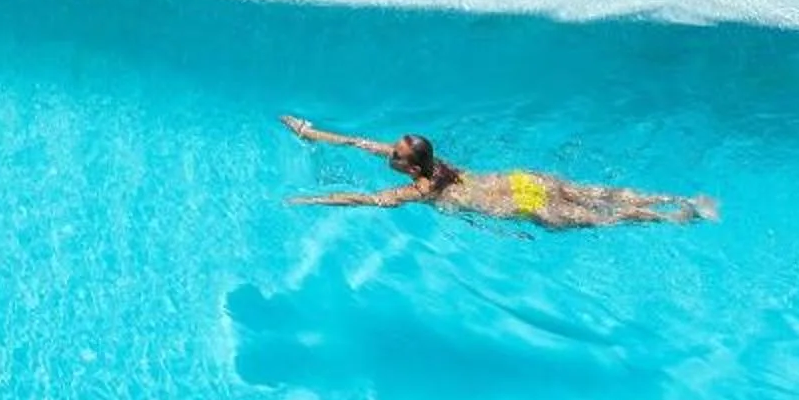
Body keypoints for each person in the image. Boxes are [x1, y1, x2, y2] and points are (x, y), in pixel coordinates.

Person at [280, 116, 716, 228]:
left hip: (521, 203)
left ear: (409, 166)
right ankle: (681, 200)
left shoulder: (423, 188)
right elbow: (359, 142)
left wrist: (313, 200)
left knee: (603, 217)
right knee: (597, 195)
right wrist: (310, 133)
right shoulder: (436, 164)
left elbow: (370, 200)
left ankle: (673, 217)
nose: (386, 154)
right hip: (522, 181)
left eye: (393, 153)